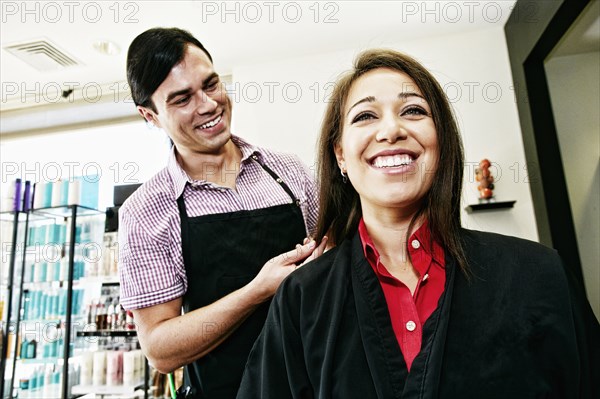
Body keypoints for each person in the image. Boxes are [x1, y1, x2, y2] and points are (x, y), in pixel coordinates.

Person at [237, 49, 599, 398]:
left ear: (440, 142)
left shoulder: (539, 275)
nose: (391, 129)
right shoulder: (302, 299)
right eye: (365, 116)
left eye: (412, 111)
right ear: (341, 155)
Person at [118, 27, 326, 399]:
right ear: (150, 115)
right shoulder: (147, 211)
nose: (208, 105)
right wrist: (257, 292)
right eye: (182, 99)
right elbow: (160, 349)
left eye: (211, 85)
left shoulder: (290, 174)